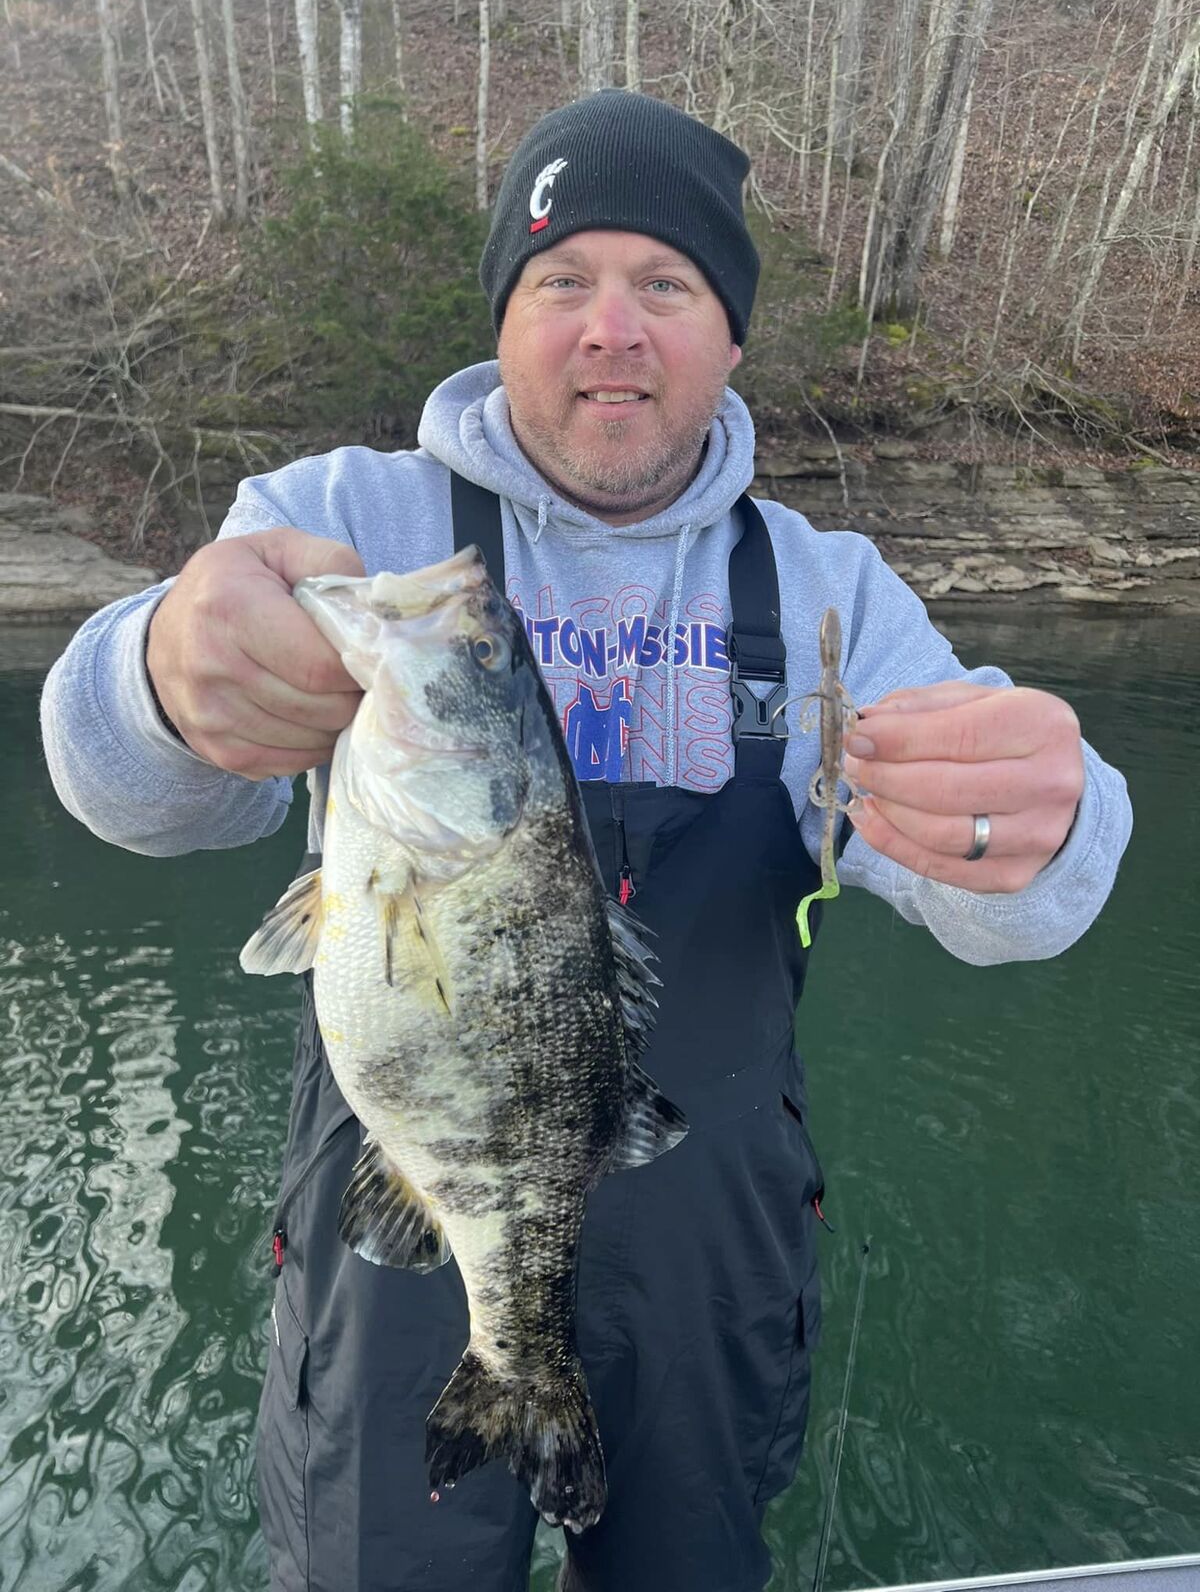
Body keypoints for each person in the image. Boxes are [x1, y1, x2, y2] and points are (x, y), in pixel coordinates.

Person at [41, 89, 1132, 1592]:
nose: (611, 328)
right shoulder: (342, 523)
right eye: (563, 282)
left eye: (665, 286)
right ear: (504, 318)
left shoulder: (833, 596)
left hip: (715, 1252)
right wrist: (159, 670)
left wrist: (1054, 823)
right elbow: (135, 795)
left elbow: (1018, 913)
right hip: (405, 1219)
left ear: (730, 335)